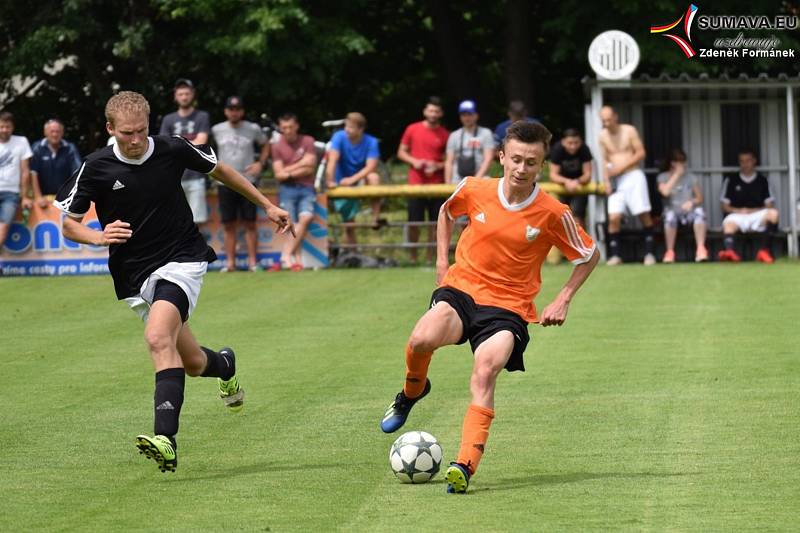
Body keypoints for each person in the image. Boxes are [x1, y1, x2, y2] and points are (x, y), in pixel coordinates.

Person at [54, 91, 293, 473]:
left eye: (142, 132)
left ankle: (165, 438)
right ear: (110, 129)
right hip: (134, 274)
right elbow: (68, 223)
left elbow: (222, 171)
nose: (135, 140)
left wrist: (267, 204)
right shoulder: (95, 167)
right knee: (195, 363)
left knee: (157, 338)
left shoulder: (172, 148)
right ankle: (226, 365)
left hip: (182, 260)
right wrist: (97, 236)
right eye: (127, 134)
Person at [379, 121, 599, 494]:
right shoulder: (474, 188)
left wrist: (563, 299)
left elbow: (589, 254)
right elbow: (447, 212)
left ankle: (464, 465)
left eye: (531, 162)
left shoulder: (551, 211)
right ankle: (412, 392)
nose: (521, 168)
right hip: (461, 291)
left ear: (541, 165)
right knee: (420, 340)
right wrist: (440, 263)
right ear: (501, 157)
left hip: (508, 309)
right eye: (515, 159)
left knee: (485, 372)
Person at [211, 96, 270, 272]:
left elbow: (266, 145)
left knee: (250, 223)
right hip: (225, 183)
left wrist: (261, 163)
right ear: (226, 111)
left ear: (242, 111)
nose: (234, 112)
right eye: (231, 109)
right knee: (229, 224)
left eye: (237, 109)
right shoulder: (216, 129)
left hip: (248, 181)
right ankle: (230, 263)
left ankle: (253, 262)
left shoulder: (253, 128)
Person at [598, 105, 656, 266]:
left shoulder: (629, 130)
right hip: (616, 180)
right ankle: (616, 256)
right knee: (614, 217)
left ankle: (650, 254)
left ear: (615, 117)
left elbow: (641, 153)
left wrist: (620, 168)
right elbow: (605, 161)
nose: (607, 123)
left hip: (633, 176)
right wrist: (607, 181)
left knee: (643, 214)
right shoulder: (602, 136)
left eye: (609, 119)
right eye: (603, 120)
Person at [397, 96, 449, 264]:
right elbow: (401, 152)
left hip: (437, 185)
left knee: (435, 225)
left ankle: (429, 258)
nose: (433, 113)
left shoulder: (445, 134)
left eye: (436, 111)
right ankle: (412, 257)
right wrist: (415, 162)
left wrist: (438, 166)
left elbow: (449, 161)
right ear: (425, 111)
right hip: (416, 184)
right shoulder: (412, 129)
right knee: (414, 223)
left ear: (440, 113)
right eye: (430, 110)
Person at [325, 112, 384, 246]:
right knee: (349, 226)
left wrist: (352, 179)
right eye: (346, 126)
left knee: (374, 177)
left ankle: (375, 218)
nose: (346, 129)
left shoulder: (371, 141)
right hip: (341, 181)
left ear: (360, 129)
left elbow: (371, 167)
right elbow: (332, 160)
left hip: (360, 179)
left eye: (351, 127)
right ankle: (351, 252)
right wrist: (329, 180)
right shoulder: (339, 137)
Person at [159, 79, 211, 224]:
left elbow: (200, 143)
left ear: (193, 95)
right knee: (174, 220)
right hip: (173, 177)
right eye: (180, 94)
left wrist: (176, 147)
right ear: (175, 96)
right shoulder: (168, 119)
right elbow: (164, 146)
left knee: (197, 221)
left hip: (196, 176)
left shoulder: (202, 116)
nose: (184, 97)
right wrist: (187, 146)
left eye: (187, 93)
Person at [271, 112, 317, 271]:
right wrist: (300, 164)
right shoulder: (276, 146)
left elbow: (310, 167)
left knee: (306, 218)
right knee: (291, 224)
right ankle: (296, 261)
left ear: (296, 126)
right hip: (287, 189)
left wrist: (288, 172)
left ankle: (284, 256)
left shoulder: (308, 141)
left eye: (290, 127)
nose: (288, 130)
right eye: (284, 128)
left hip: (306, 187)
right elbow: (278, 174)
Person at [718, 148, 779, 263]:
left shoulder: (763, 180)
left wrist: (752, 210)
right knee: (728, 224)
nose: (745, 164)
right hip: (738, 214)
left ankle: (764, 251)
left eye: (748, 160)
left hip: (757, 214)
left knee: (773, 214)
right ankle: (729, 252)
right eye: (742, 161)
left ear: (754, 161)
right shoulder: (731, 180)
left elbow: (769, 205)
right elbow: (724, 206)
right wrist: (739, 210)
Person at [656, 148, 708, 263]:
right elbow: (665, 193)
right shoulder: (662, 177)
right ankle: (669, 252)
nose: (683, 165)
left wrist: (692, 202)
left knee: (700, 213)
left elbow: (700, 198)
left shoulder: (691, 177)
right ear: (672, 163)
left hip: (688, 212)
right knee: (670, 217)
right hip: (672, 211)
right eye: (680, 162)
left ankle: (700, 249)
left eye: (684, 162)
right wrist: (676, 176)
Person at [30, 118, 82, 207]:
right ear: (45, 132)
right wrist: (38, 197)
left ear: (62, 133)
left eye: (58, 131)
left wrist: (73, 196)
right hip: (42, 198)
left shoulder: (70, 148)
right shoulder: (37, 147)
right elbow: (33, 173)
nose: (55, 134)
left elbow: (77, 173)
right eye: (52, 131)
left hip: (65, 198)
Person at [0, 112, 33, 252]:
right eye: (1, 126)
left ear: (12, 127)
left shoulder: (21, 141)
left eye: (7, 126)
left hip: (11, 193)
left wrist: (25, 196)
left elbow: (25, 171)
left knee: (4, 226)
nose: (4, 130)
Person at [548, 128, 593, 229]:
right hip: (560, 186)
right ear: (563, 142)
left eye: (576, 143)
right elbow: (553, 175)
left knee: (578, 217)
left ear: (580, 141)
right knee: (560, 218)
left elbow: (588, 174)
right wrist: (567, 181)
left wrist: (577, 181)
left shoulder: (584, 149)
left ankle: (581, 243)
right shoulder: (557, 149)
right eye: (570, 143)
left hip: (580, 186)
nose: (573, 146)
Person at [444, 100, 495, 184]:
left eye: (470, 114)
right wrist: (447, 183)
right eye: (464, 115)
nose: (467, 118)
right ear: (460, 117)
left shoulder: (486, 133)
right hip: (457, 180)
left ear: (476, 115)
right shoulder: (454, 135)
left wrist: (475, 180)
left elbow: (488, 159)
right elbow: (449, 161)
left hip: (480, 180)